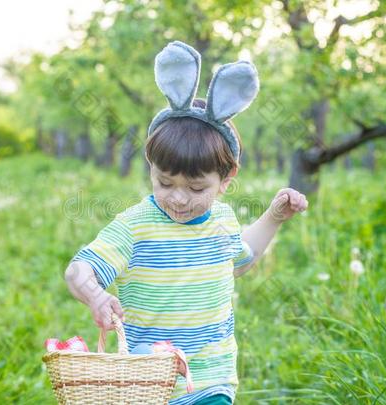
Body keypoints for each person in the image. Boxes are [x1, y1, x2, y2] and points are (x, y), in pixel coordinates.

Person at [64, 41, 308, 405]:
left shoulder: (222, 219)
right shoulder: (135, 226)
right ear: (152, 168)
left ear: (226, 179)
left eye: (196, 187)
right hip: (148, 383)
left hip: (212, 380)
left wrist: (274, 217)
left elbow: (242, 259)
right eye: (165, 182)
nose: (178, 198)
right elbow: (78, 270)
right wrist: (95, 296)